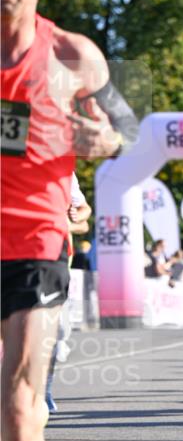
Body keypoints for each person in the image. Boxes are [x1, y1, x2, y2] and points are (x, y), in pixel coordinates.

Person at [1, 0, 137, 441]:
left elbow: (126, 127)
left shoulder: (73, 57)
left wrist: (104, 140)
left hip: (33, 240)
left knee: (20, 411)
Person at [44, 172, 92, 413]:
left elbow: (84, 212)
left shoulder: (63, 169)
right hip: (15, 257)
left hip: (58, 259)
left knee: (56, 331)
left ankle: (46, 389)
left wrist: (74, 217)